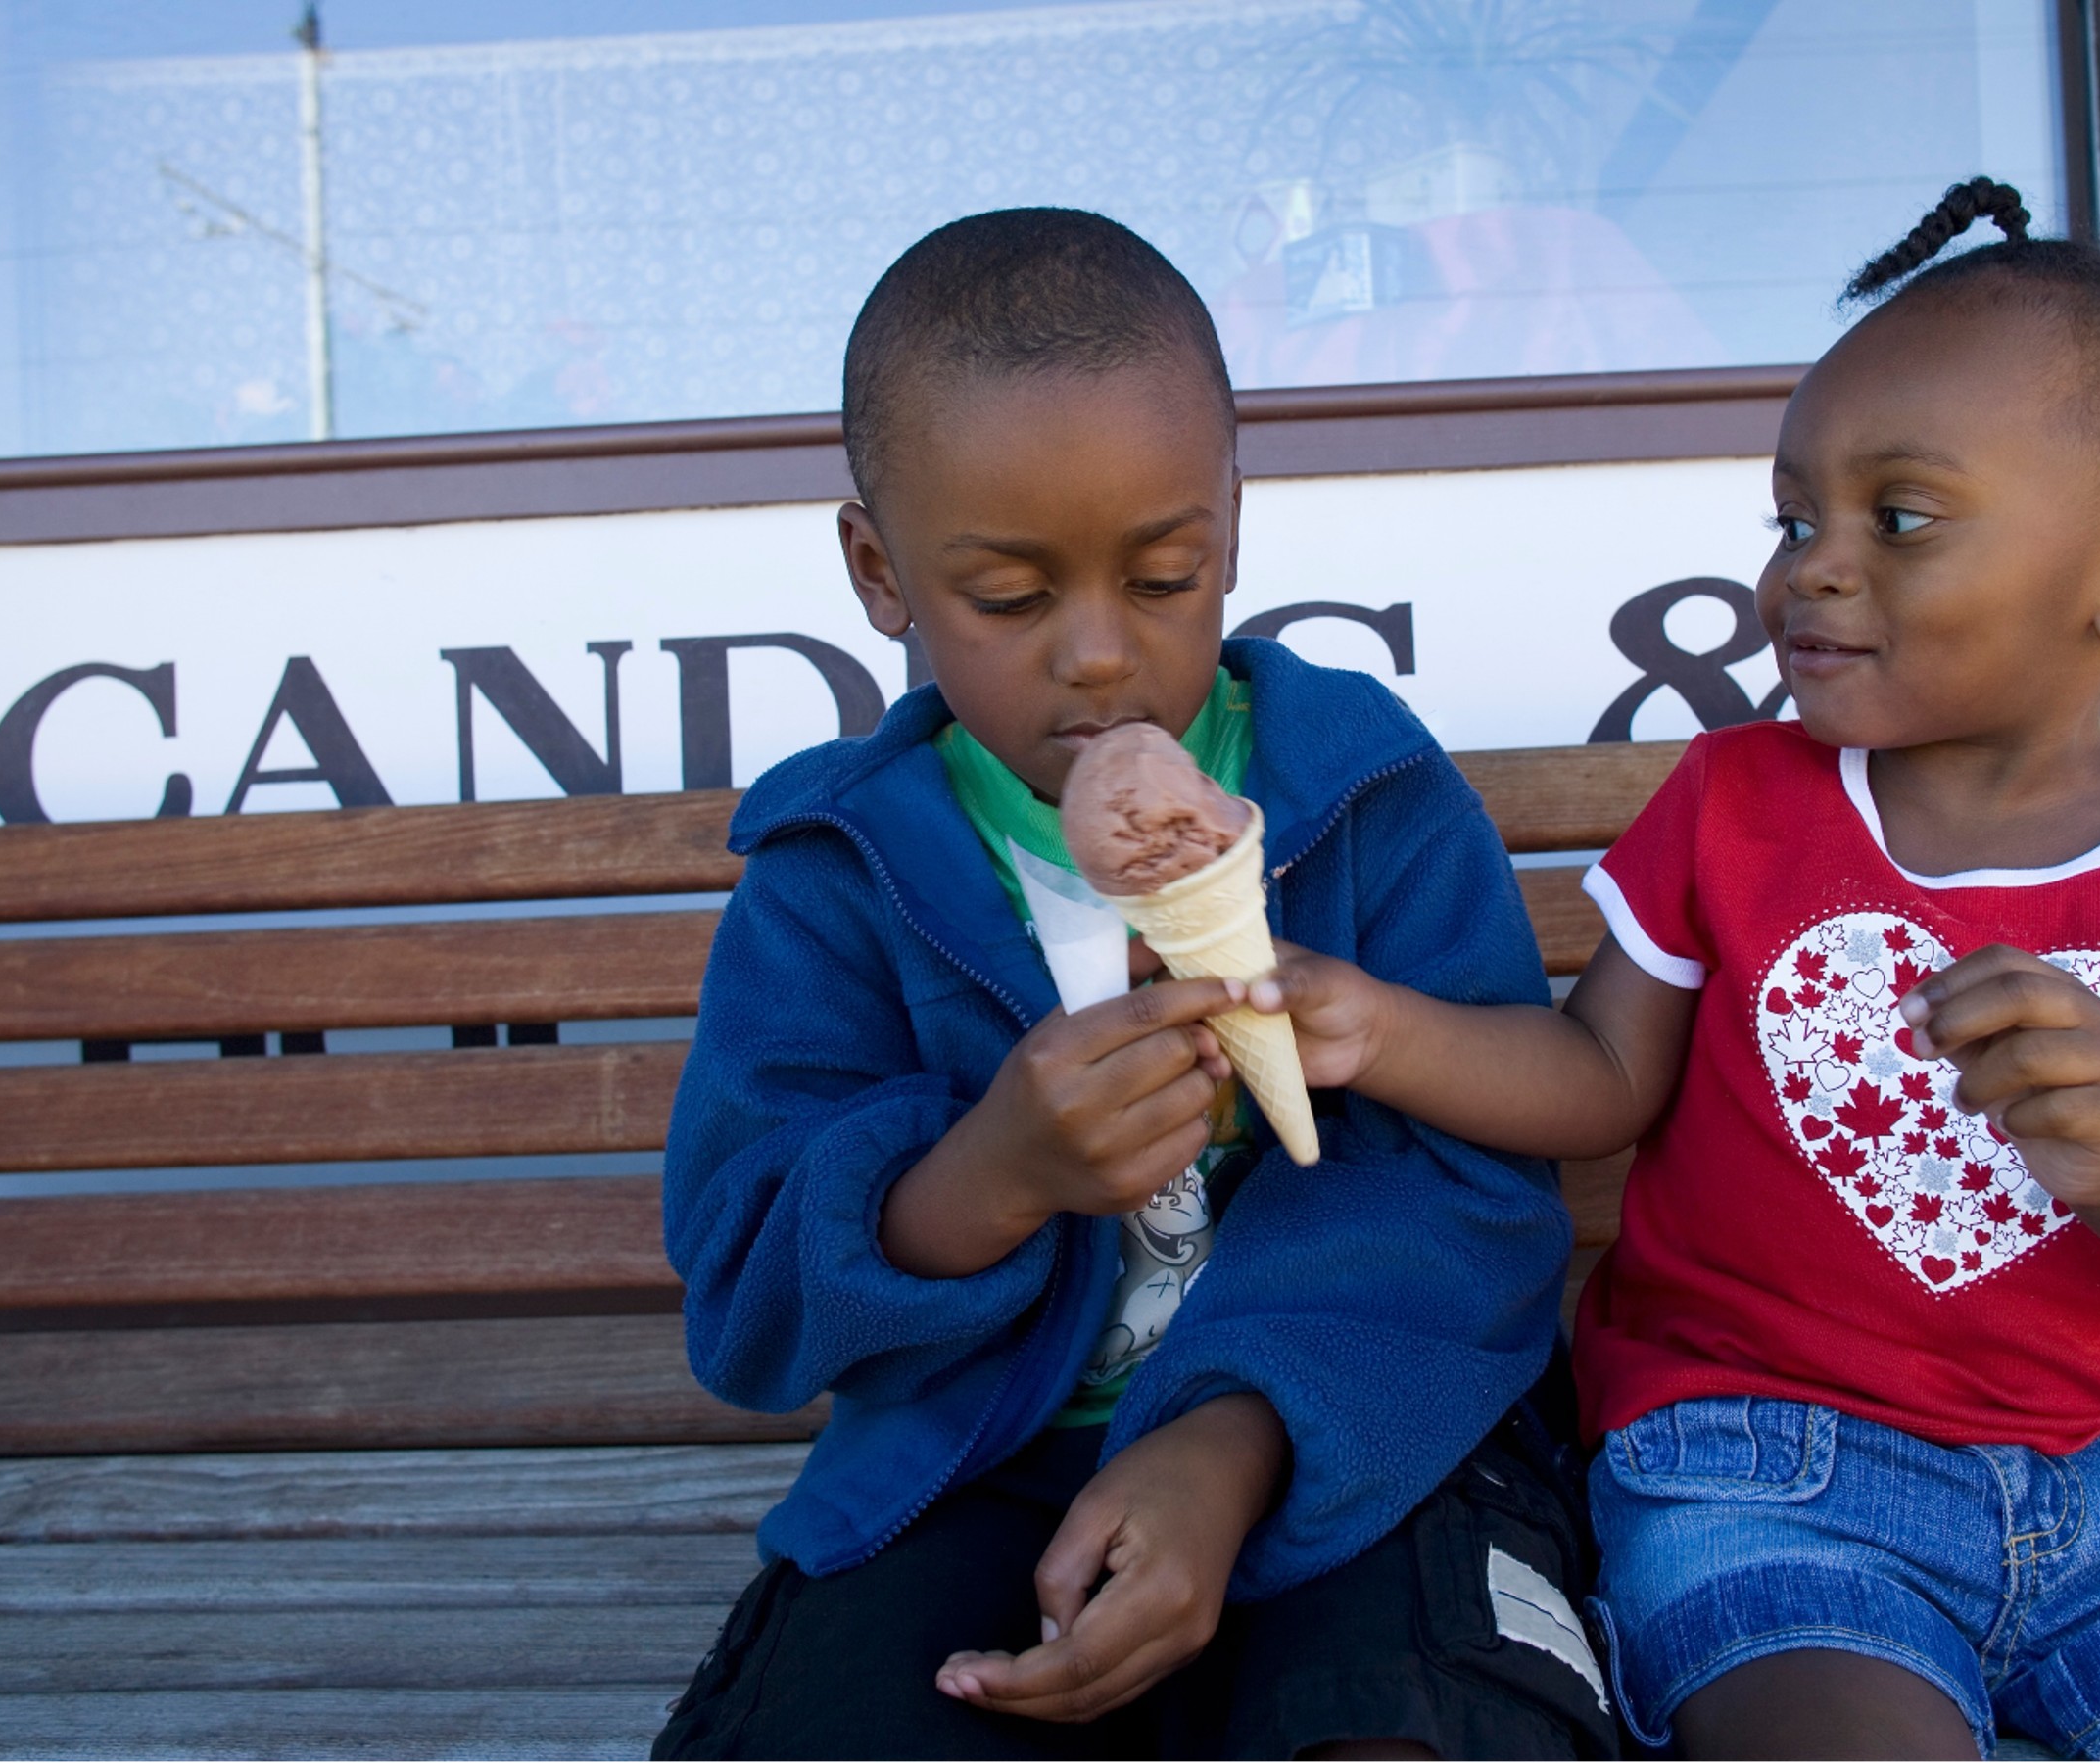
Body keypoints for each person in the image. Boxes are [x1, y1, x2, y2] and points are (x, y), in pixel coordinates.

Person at [1248, 180, 2100, 1759]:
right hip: (1753, 1471)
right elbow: (1597, 1083)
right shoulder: (1739, 803)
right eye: (1797, 519)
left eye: (1899, 519)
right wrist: (1381, 1029)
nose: (1815, 568)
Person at [653, 208, 1615, 1760]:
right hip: (979, 1461)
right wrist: (988, 1176)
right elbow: (752, 1303)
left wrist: (1230, 1449)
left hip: (1364, 1428)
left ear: (1231, 530)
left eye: (1165, 577)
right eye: (1013, 601)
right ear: (878, 569)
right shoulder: (837, 877)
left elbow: (1475, 1195)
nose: (1100, 658)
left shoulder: (1362, 798)